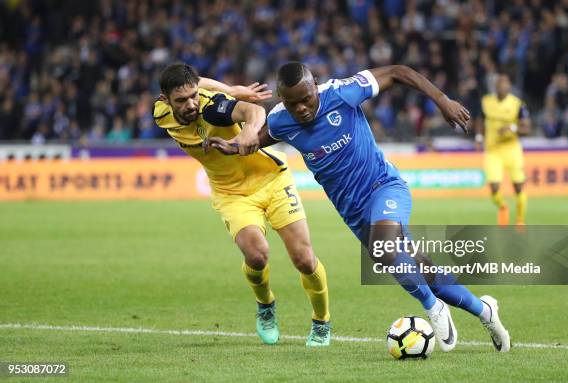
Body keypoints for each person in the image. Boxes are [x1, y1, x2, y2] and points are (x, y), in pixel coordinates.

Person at [211, 62, 511, 352]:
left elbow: (397, 72)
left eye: (306, 98)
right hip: (353, 212)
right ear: (283, 101)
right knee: (419, 268)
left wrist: (442, 100)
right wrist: (235, 146)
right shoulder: (280, 120)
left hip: (384, 186)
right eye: (293, 104)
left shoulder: (342, 93)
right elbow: (260, 139)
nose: (302, 108)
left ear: (315, 86)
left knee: (384, 249)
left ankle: (434, 308)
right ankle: (485, 311)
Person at [153, 63, 331, 346]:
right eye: (181, 100)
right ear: (165, 100)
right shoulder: (160, 114)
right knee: (257, 256)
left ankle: (321, 322)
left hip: (272, 180)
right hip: (231, 193)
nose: (190, 104)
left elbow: (255, 111)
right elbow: (199, 82)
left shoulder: (212, 108)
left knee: (305, 261)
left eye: (193, 96)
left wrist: (248, 130)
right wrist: (230, 88)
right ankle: (265, 305)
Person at [475, 73, 532, 226]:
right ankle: (502, 206)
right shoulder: (486, 102)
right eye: (500, 84)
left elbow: (527, 128)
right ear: (495, 87)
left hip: (511, 149)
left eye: (505, 84)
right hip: (493, 150)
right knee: (494, 188)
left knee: (518, 186)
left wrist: (512, 127)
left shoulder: (517, 104)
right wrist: (479, 136)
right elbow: (480, 119)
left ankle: (520, 221)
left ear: (509, 87)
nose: (502, 87)